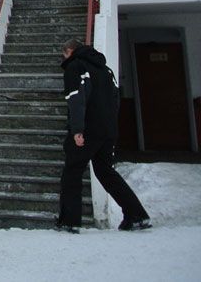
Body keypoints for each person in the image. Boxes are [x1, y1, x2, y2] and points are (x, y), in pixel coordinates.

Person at [56, 39, 152, 233]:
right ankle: (136, 214)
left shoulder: (76, 67)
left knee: (72, 172)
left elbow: (76, 99)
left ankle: (70, 221)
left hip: (87, 129)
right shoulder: (105, 70)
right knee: (105, 171)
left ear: (69, 51)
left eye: (64, 55)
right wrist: (110, 126)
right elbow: (116, 99)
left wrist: (77, 130)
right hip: (108, 129)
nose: (63, 59)